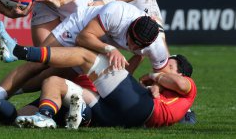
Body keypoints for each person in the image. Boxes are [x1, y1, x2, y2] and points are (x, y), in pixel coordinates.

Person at [0, 1, 168, 126]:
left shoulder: (156, 46)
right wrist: (110, 49)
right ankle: (16, 55)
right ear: (132, 25)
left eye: (137, 45)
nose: (131, 45)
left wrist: (156, 87)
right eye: (130, 39)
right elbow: (84, 38)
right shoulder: (118, 13)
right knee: (38, 64)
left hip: (99, 46)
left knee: (52, 79)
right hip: (82, 29)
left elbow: (163, 75)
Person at [15, 54, 196, 129]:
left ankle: (26, 55)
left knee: (85, 56)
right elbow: (127, 83)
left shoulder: (187, 85)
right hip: (111, 110)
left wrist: (154, 76)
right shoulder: (155, 89)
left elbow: (179, 85)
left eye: (168, 66)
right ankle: (44, 115)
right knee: (52, 82)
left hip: (137, 111)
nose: (162, 67)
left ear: (180, 72)